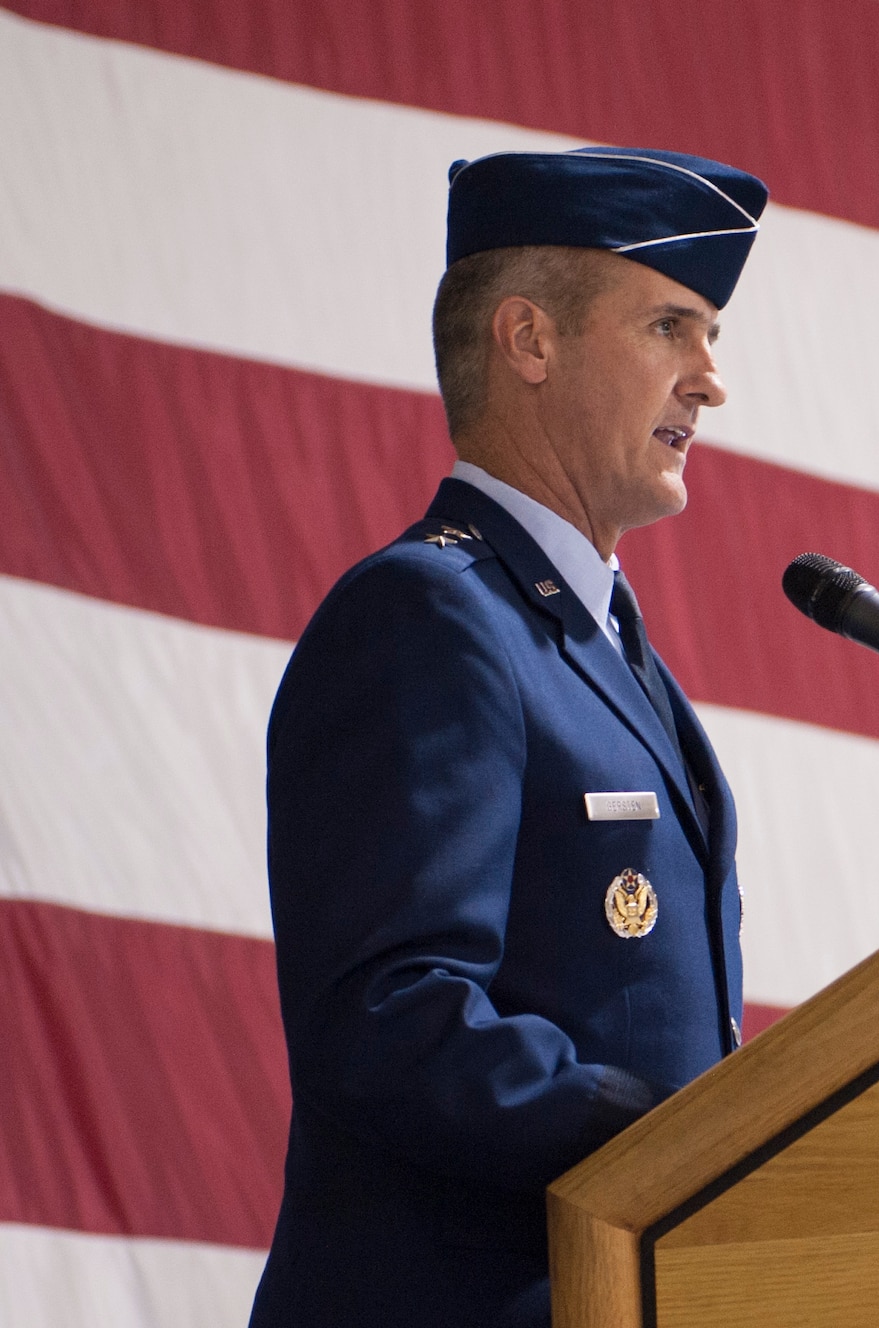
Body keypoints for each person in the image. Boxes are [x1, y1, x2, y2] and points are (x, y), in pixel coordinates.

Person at [248, 147, 766, 1328]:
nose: (709, 380)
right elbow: (390, 1016)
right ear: (528, 341)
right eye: (671, 327)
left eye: (712, 338)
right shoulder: (430, 616)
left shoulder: (599, 644)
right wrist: (683, 1141)